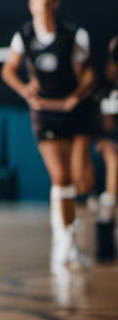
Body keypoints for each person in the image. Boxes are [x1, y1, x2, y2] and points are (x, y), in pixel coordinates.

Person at [1, 0, 95, 272]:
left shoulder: (72, 36)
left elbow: (87, 73)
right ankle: (65, 245)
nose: (37, 3)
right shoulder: (24, 35)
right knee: (60, 176)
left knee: (81, 180)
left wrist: (76, 97)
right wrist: (25, 90)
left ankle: (68, 235)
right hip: (45, 114)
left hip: (74, 112)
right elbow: (8, 70)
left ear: (55, 2)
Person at [95, 36, 118, 263]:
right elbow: (104, 125)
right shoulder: (104, 88)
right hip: (109, 141)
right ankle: (106, 217)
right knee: (114, 158)